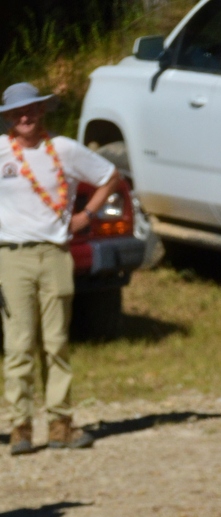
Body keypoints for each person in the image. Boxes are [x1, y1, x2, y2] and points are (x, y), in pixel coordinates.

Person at [0, 82, 121, 455]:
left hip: (54, 254)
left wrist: (86, 215)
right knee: (18, 343)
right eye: (18, 111)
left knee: (56, 342)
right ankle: (20, 426)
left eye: (32, 109)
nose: (26, 116)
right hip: (12, 254)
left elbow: (109, 176)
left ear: (42, 112)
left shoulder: (64, 149)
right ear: (7, 117)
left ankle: (60, 423)